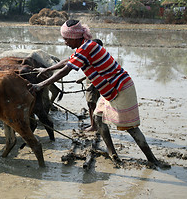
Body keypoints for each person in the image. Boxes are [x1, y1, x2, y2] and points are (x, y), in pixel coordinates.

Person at [29, 19, 166, 167]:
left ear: (74, 37)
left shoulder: (87, 47)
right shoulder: (84, 47)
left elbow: (66, 70)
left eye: (66, 39)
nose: (65, 43)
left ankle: (153, 160)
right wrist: (47, 70)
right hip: (109, 90)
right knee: (98, 118)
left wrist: (40, 85)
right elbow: (68, 61)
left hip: (121, 88)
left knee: (131, 128)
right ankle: (111, 152)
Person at [76, 39, 103, 132]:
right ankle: (94, 124)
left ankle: (94, 126)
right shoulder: (97, 57)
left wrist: (91, 85)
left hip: (92, 86)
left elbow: (99, 73)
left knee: (92, 106)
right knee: (90, 105)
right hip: (91, 85)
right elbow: (91, 72)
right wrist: (82, 79)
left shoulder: (98, 59)